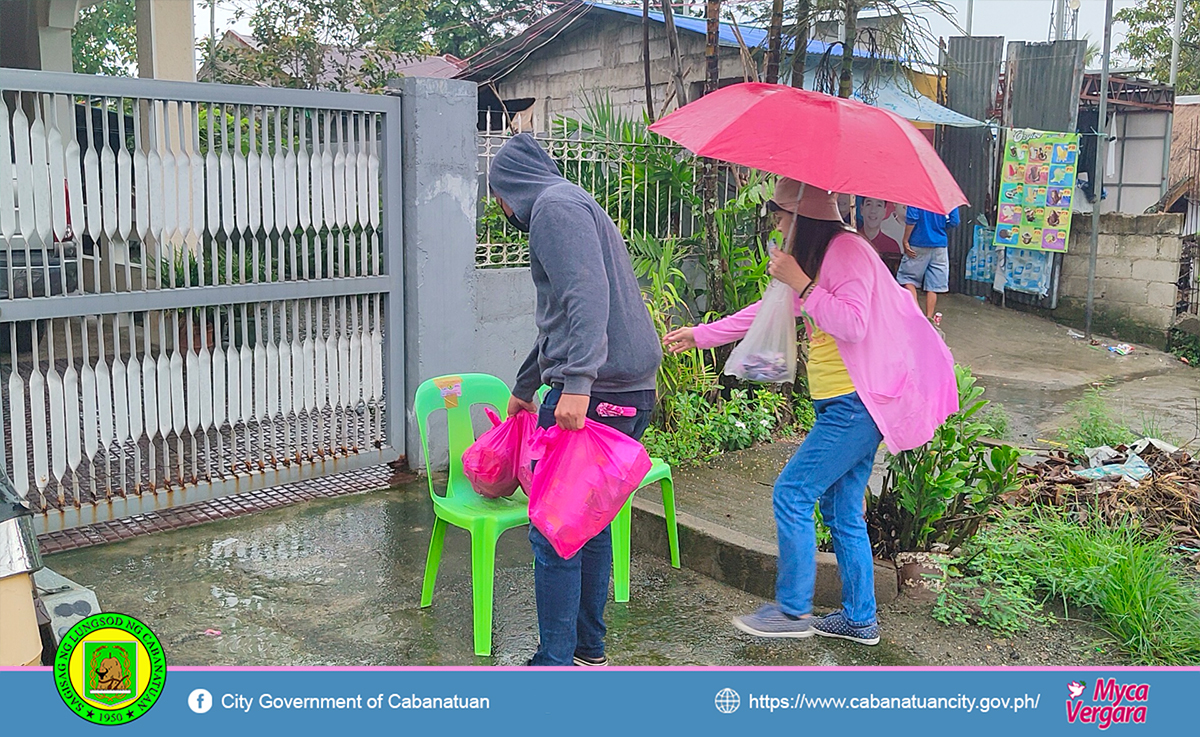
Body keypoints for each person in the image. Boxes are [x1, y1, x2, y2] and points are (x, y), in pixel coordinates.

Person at [663, 178, 957, 646]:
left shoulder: (849, 252)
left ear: (803, 216)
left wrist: (802, 282)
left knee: (793, 492)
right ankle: (860, 619)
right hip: (842, 403)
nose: (777, 223)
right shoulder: (819, 259)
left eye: (780, 214)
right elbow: (768, 311)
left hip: (858, 404)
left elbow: (853, 323)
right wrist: (700, 335)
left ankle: (793, 610)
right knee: (842, 512)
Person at [488, 133, 663, 667]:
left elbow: (587, 297)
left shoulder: (552, 209)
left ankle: (556, 664)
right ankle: (587, 653)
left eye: (495, 199)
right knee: (586, 524)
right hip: (622, 384)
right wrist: (524, 385)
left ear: (506, 190)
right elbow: (563, 316)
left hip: (600, 388)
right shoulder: (567, 201)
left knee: (556, 528)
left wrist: (578, 384)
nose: (498, 209)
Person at [898, 205, 960, 322]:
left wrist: (905, 239)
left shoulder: (918, 194)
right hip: (939, 245)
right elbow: (954, 221)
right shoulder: (946, 195)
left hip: (918, 242)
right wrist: (939, 227)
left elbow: (912, 218)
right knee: (933, 285)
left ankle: (916, 313)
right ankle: (929, 318)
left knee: (908, 278)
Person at [856, 197, 902, 276]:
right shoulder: (852, 241)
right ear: (861, 209)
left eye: (879, 205)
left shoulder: (892, 246)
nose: (873, 211)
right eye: (869, 204)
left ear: (884, 212)